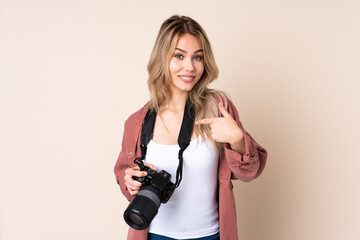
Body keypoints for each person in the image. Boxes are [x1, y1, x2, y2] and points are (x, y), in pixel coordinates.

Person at [114, 15, 267, 240]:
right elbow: (126, 181)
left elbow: (250, 172)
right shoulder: (137, 123)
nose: (190, 67)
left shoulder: (218, 108)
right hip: (154, 235)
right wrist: (130, 182)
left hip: (211, 235)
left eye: (198, 57)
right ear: (162, 59)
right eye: (179, 56)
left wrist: (237, 140)